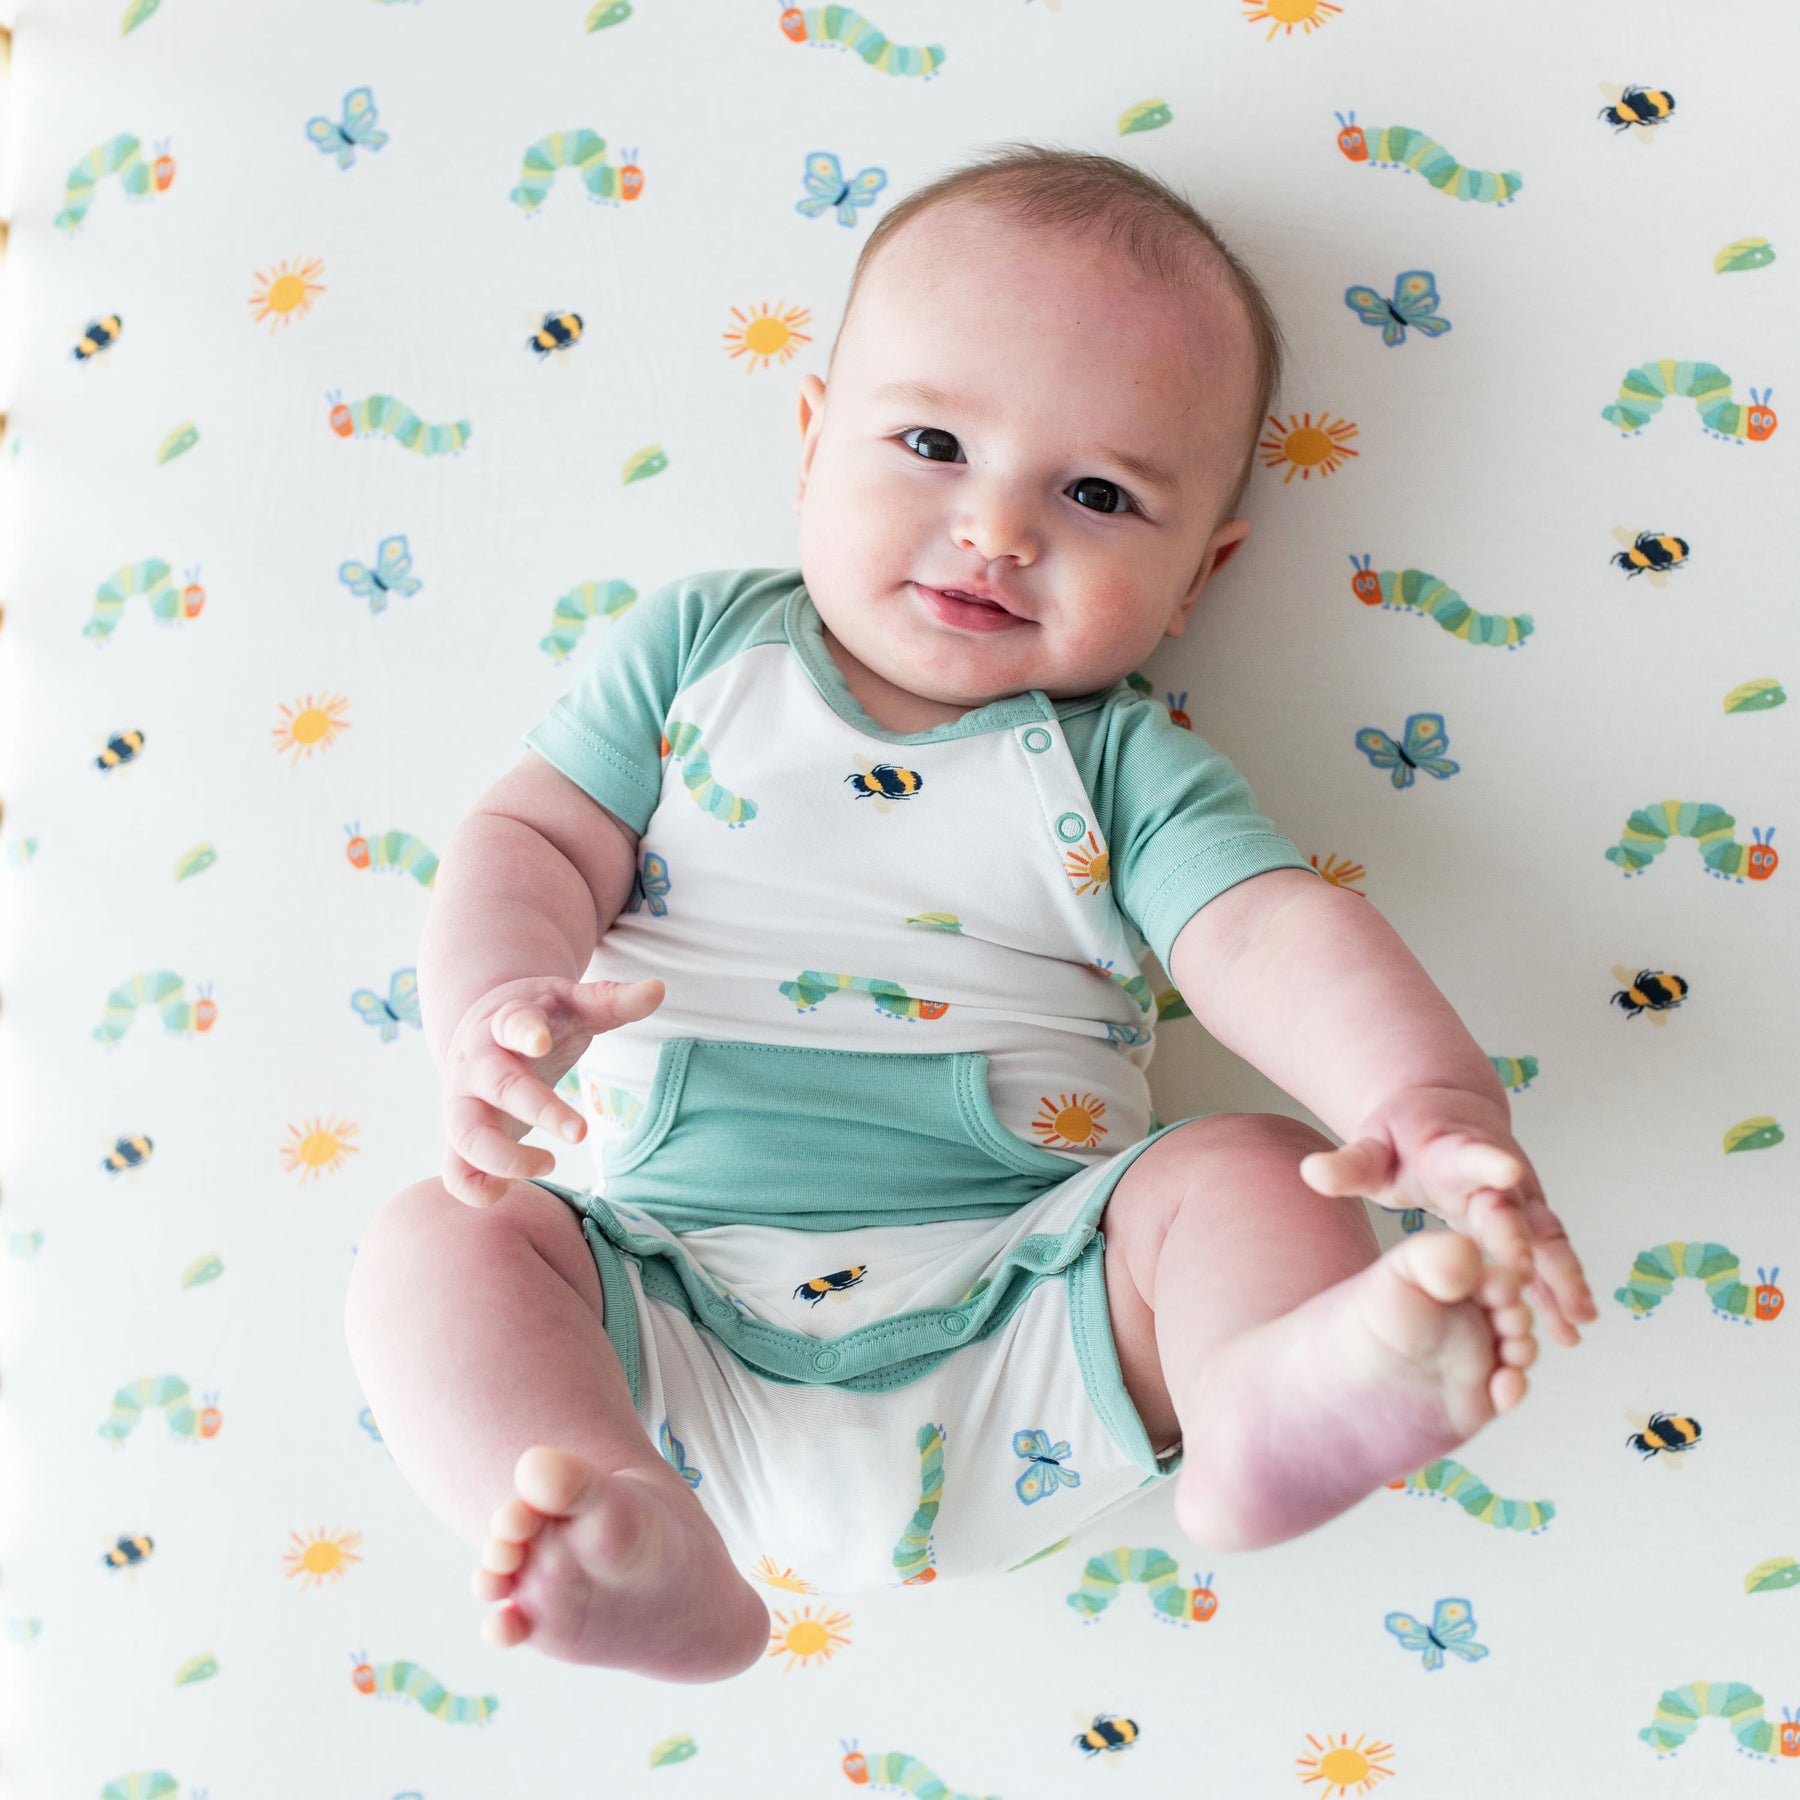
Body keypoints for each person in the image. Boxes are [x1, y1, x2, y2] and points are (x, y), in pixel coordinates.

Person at [344, 142, 1598, 1685]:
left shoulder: (1122, 762)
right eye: (933, 440)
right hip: (665, 1303)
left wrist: (1425, 1102)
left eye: (1096, 493)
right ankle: (617, 1530)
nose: (1000, 528)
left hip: (1034, 1305)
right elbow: (530, 834)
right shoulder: (693, 658)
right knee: (440, 1250)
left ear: (1198, 574)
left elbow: (1268, 933)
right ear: (811, 442)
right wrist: (495, 997)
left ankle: (1267, 1394)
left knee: (1250, 1174)